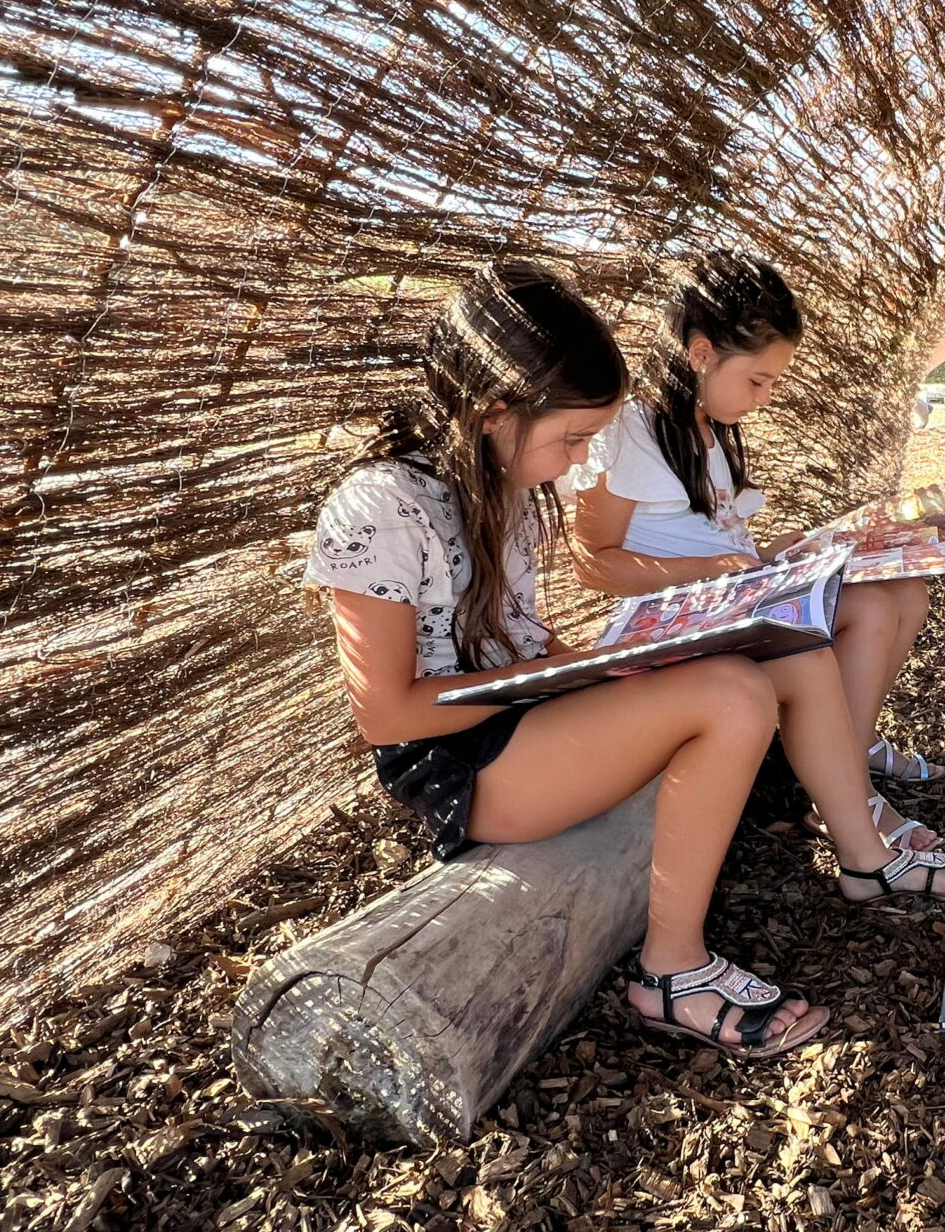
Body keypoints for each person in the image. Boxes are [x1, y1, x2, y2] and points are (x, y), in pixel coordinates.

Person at [305, 263, 828, 1060]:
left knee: (742, 672)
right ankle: (671, 972)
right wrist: (555, 679)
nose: (579, 461)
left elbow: (517, 631)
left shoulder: (498, 479)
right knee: (730, 696)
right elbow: (388, 714)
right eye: (573, 439)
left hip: (520, 719)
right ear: (495, 412)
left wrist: (591, 665)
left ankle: (846, 834)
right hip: (461, 764)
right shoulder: (378, 506)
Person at [570, 253, 945, 909]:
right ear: (702, 353)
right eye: (758, 380)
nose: (765, 399)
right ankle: (852, 809)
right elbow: (591, 560)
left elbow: (716, 543)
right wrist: (713, 569)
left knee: (900, 592)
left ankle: (847, 784)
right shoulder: (631, 430)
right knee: (864, 618)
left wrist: (795, 551)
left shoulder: (709, 432)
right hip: (675, 632)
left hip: (728, 607)